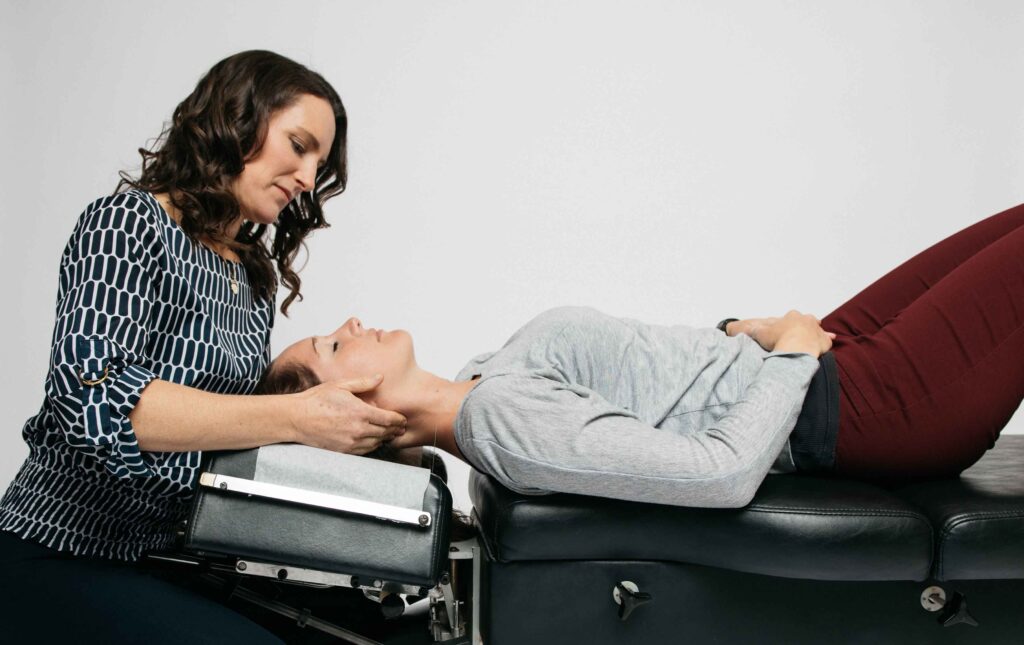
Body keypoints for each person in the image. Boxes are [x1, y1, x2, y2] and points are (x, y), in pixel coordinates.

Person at [0, 51, 407, 642]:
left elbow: (233, 431)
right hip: (60, 548)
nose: (308, 178)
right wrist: (297, 416)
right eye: (299, 145)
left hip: (171, 555)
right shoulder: (129, 225)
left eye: (320, 162)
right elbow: (96, 403)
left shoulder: (252, 271)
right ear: (238, 120)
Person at [259, 203, 1024, 507]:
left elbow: (657, 382)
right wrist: (790, 357)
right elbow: (716, 473)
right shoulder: (503, 422)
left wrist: (738, 330)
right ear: (355, 407)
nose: (351, 321)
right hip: (864, 405)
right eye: (332, 343)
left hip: (830, 363)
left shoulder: (480, 377)